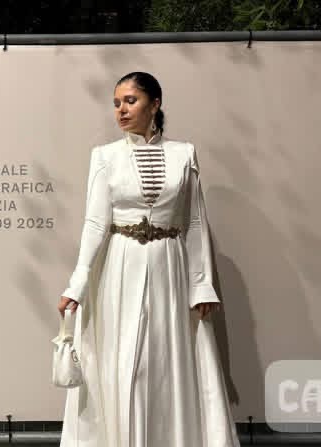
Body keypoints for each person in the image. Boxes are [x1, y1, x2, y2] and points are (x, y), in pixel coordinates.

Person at [57, 72, 240, 447]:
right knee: (127, 360)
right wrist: (77, 283)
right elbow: (95, 223)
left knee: (165, 361)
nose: (121, 110)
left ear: (155, 104)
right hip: (120, 267)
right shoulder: (105, 156)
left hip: (168, 266)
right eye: (116, 103)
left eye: (130, 101)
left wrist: (201, 284)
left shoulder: (184, 153)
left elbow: (194, 221)